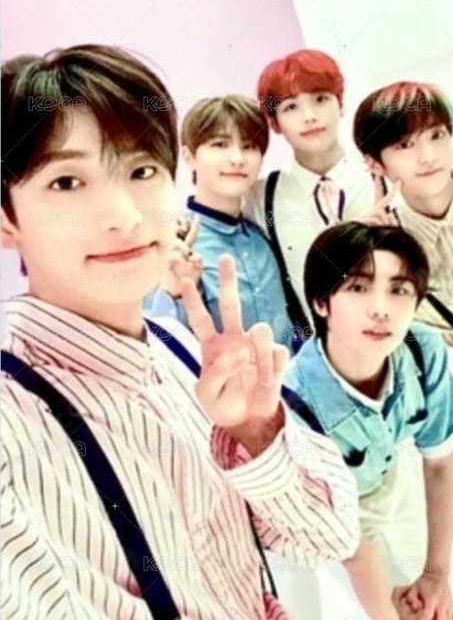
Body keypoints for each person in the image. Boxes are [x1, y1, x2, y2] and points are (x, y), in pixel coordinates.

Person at [1, 44, 361, 620]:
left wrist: (256, 434)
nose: (124, 216)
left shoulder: (183, 354)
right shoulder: (13, 418)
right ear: (6, 219)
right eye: (67, 182)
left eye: (142, 170)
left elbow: (327, 538)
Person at [283, 221, 453, 619]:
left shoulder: (421, 348)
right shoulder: (296, 405)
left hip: (391, 474)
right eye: (358, 287)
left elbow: (440, 464)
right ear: (321, 303)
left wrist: (437, 574)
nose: (381, 309)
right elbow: (350, 540)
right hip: (324, 523)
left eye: (398, 290)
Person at [145, 94, 297, 351]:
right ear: (189, 156)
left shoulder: (263, 236)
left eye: (249, 146)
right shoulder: (172, 244)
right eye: (220, 144)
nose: (237, 158)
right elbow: (156, 340)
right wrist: (175, 290)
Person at [244, 49, 375, 331]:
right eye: (291, 107)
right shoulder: (260, 197)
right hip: (319, 349)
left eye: (321, 99)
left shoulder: (381, 176)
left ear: (341, 104)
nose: (310, 116)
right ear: (275, 123)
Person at [353, 80, 453, 346]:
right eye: (404, 145)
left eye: (437, 136)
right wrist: (360, 258)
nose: (428, 157)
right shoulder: (386, 245)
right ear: (374, 164)